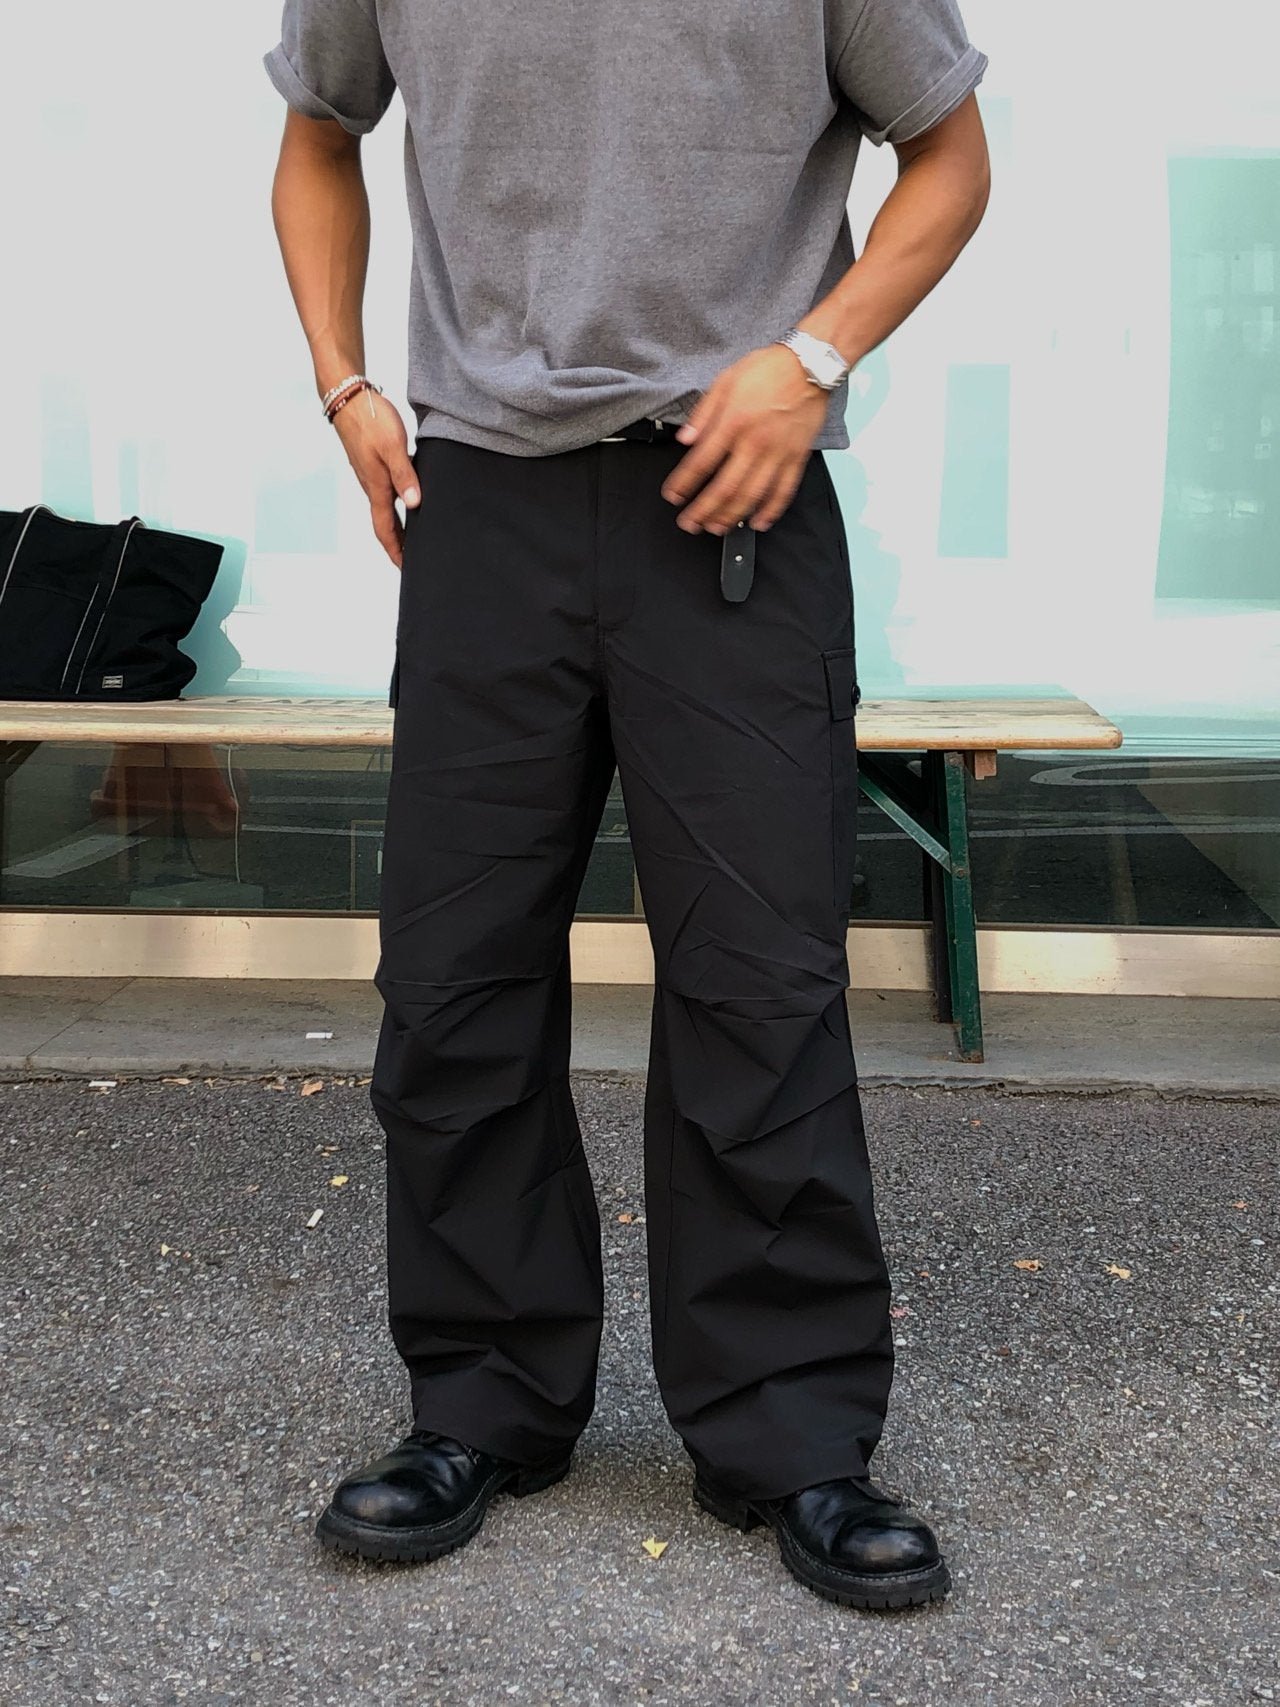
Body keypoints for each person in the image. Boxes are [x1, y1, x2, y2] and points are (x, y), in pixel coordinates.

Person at [263, 0, 990, 1612]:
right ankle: (481, 1401)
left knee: (760, 984)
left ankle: (790, 1431)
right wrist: (344, 382)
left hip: (734, 498)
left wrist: (813, 357)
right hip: (481, 497)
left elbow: (950, 153)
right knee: (452, 981)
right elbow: (319, 131)